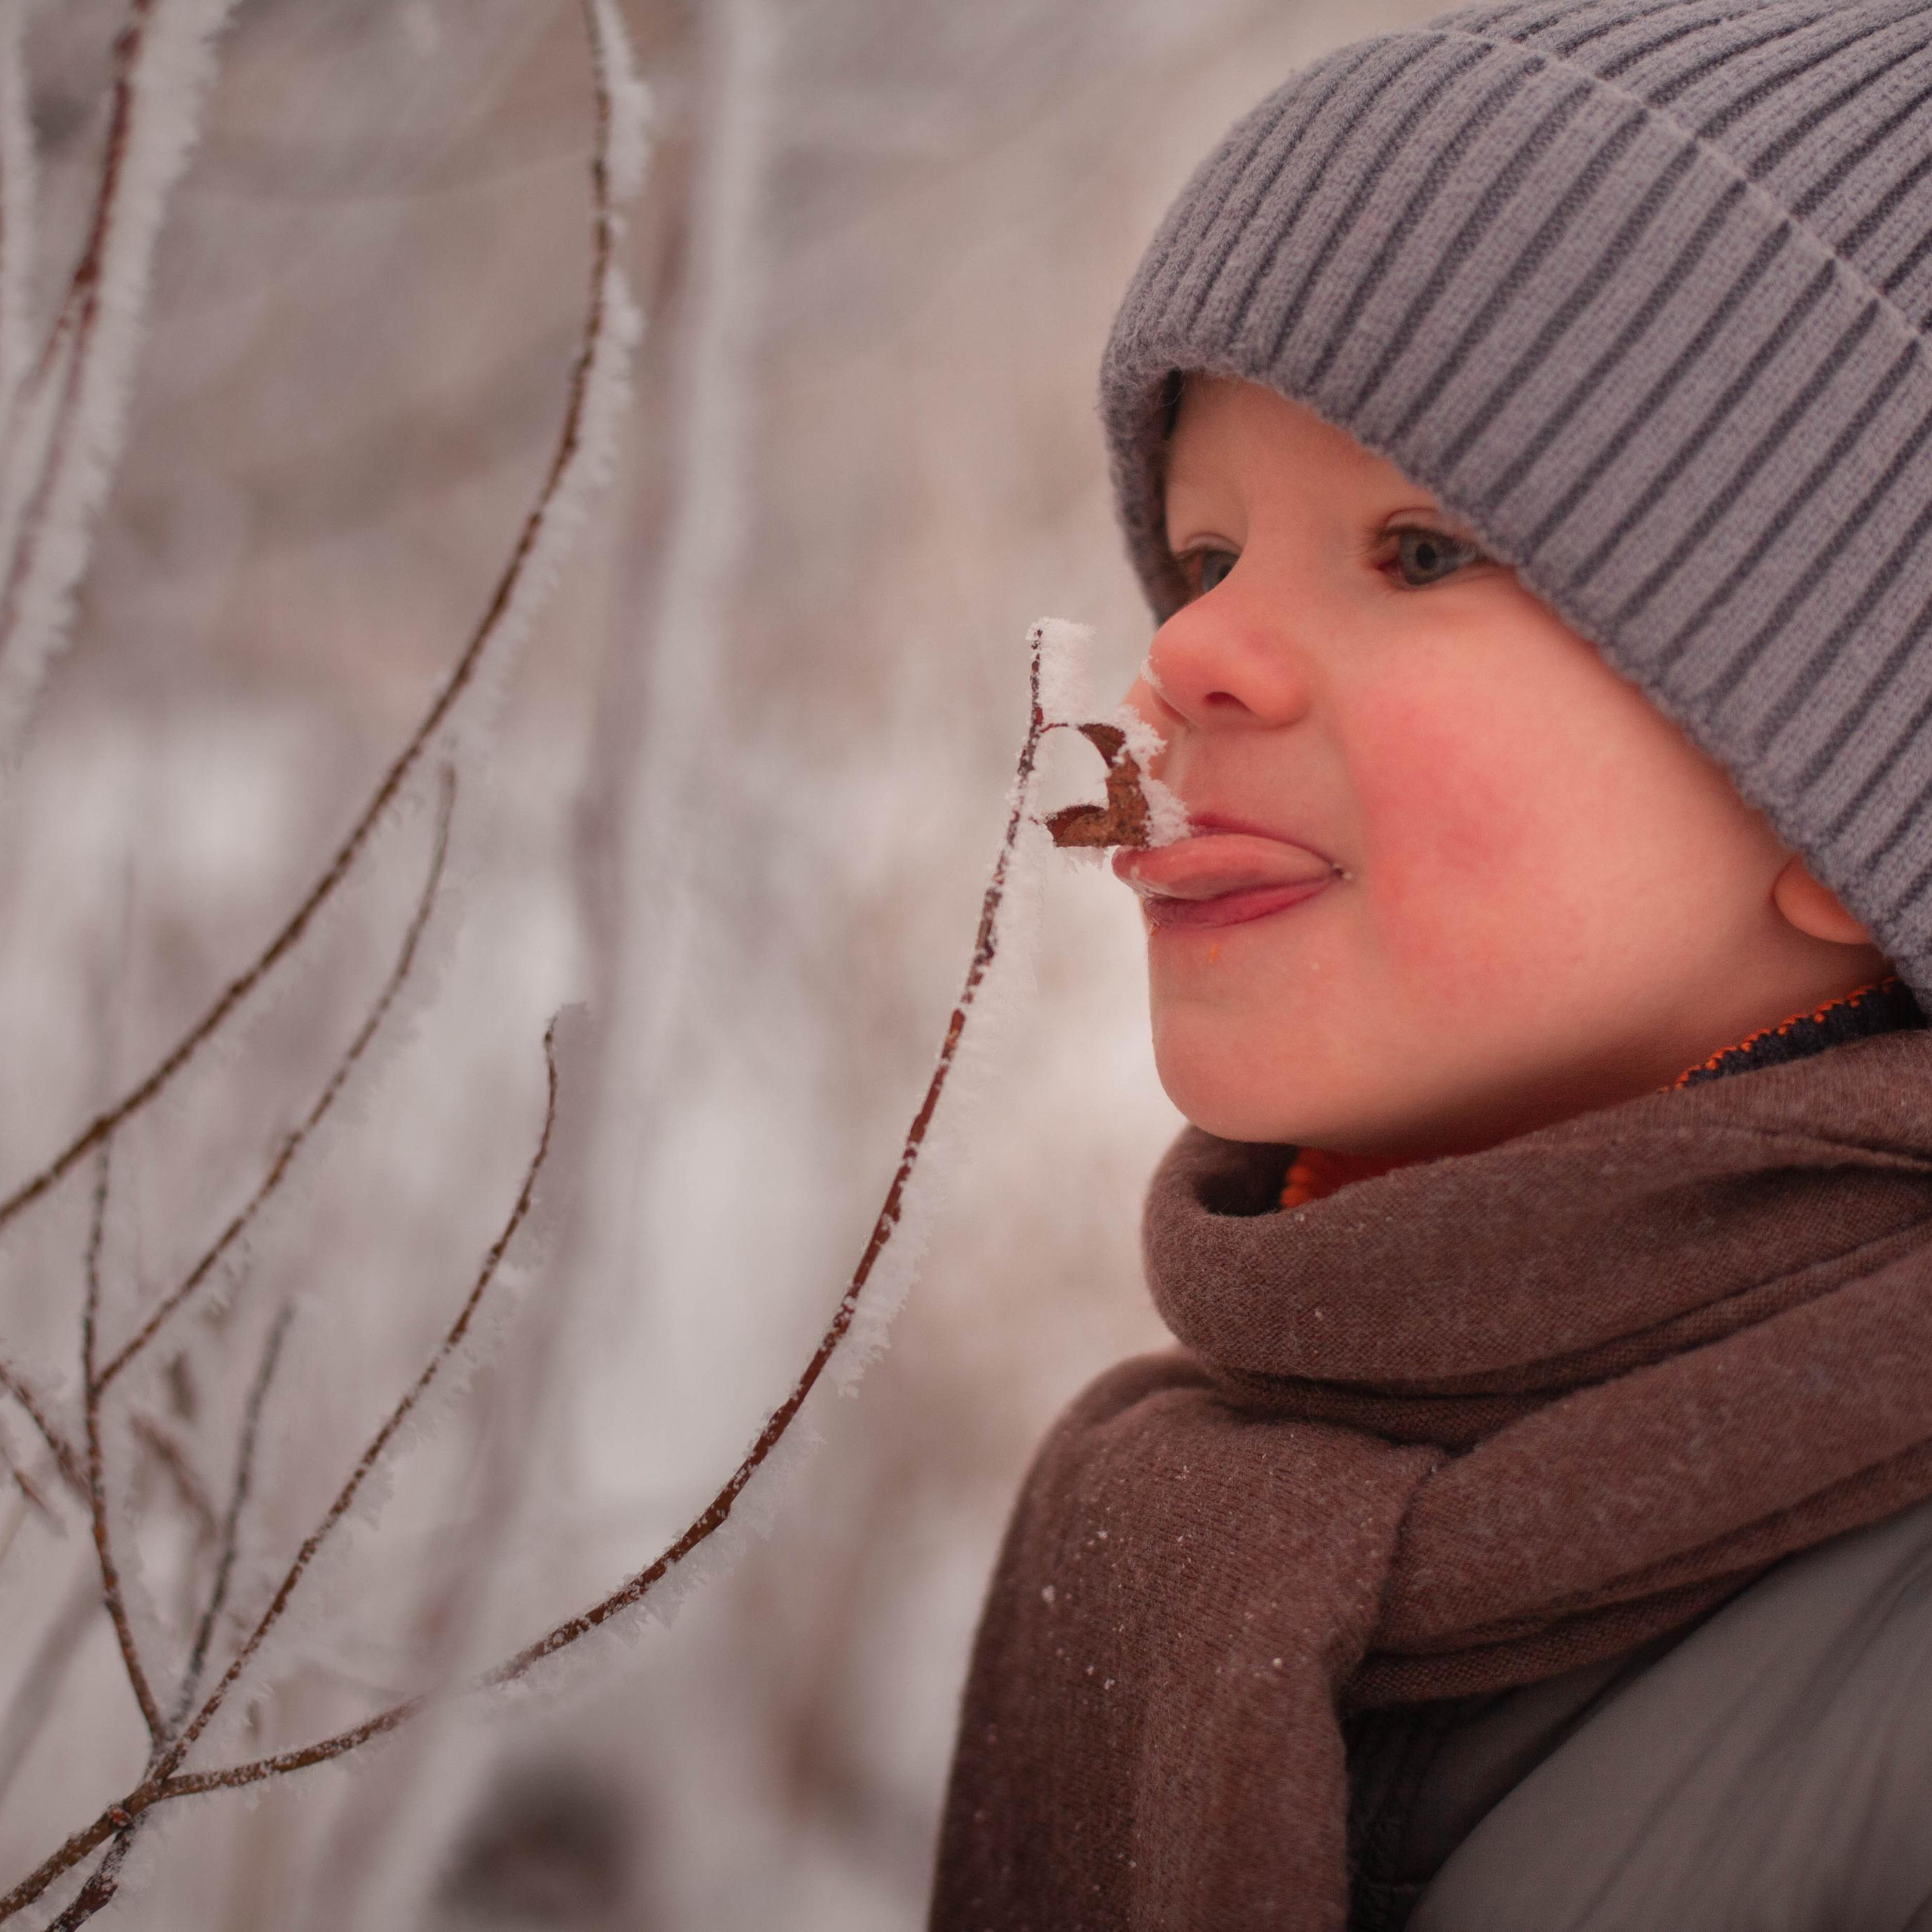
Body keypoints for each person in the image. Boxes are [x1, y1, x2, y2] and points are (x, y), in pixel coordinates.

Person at [930, 3, 1932, 1927]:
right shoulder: (1167, 1527)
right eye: (1205, 551)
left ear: (1847, 780)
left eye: (1414, 551)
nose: (1186, 657)